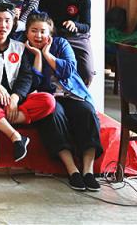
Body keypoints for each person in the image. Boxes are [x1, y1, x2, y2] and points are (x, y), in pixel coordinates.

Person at [0, 3, 56, 162]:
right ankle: (15, 136)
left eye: (7, 20)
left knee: (48, 101)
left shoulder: (20, 47)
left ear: (13, 24)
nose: (3, 25)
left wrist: (14, 98)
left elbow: (26, 77)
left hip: (16, 104)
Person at [26, 12, 102, 191]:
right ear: (27, 32)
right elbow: (33, 83)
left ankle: (88, 171)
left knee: (87, 112)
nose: (38, 35)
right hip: (49, 97)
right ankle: (72, 170)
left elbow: (69, 70)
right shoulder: (25, 50)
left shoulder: (61, 43)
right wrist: (37, 56)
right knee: (52, 115)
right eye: (34, 31)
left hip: (72, 94)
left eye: (43, 31)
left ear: (50, 33)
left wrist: (48, 55)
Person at [40, 0, 94, 86]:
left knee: (87, 72)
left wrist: (75, 25)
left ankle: (80, 94)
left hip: (77, 37)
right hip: (54, 36)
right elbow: (42, 20)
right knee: (52, 71)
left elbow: (87, 26)